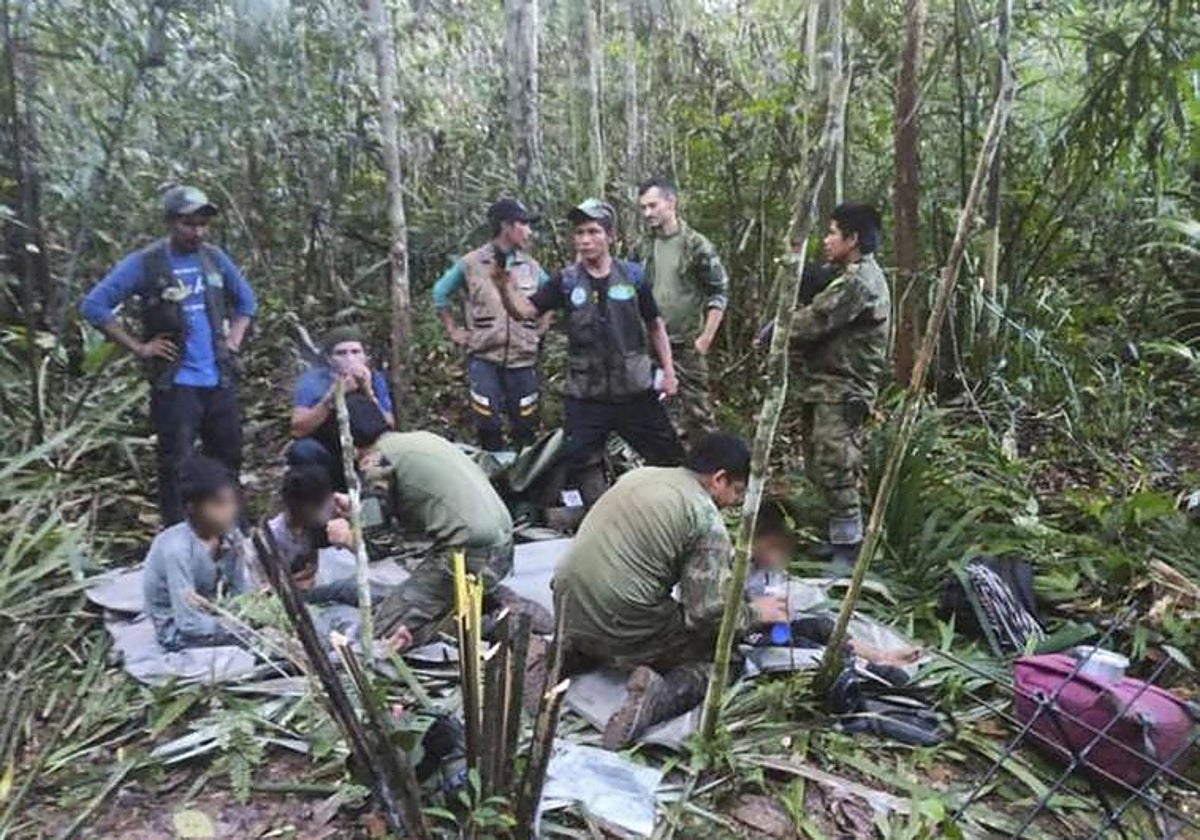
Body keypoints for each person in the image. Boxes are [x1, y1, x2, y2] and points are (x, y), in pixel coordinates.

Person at [553, 432, 789, 749]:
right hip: (622, 619)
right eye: (737, 491)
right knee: (724, 660)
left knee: (619, 611)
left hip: (566, 604)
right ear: (719, 478)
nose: (734, 502)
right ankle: (657, 698)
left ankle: (562, 655)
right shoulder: (704, 517)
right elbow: (705, 614)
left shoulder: (640, 476)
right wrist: (756, 613)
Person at [81, 185, 257, 526]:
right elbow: (94, 306)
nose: (198, 232)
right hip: (176, 384)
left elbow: (247, 302)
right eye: (188, 224)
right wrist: (139, 347)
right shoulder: (146, 263)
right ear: (170, 223)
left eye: (203, 224)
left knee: (228, 459)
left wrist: (233, 340)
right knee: (176, 465)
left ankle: (234, 532)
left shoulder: (214, 259)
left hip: (218, 379)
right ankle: (179, 535)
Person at [493, 198, 685, 503]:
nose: (585, 240)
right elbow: (525, 312)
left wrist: (669, 372)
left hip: (634, 389)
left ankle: (673, 508)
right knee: (579, 462)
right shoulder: (566, 281)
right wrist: (505, 288)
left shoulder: (633, 276)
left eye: (593, 232)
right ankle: (595, 512)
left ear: (610, 236)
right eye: (579, 233)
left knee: (669, 457)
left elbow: (655, 325)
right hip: (586, 394)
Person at [795, 202, 891, 568]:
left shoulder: (859, 282)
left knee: (836, 462)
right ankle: (837, 536)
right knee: (819, 461)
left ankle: (849, 547)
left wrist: (780, 328)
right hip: (825, 384)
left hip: (844, 387)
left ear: (852, 239)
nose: (826, 239)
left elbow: (815, 321)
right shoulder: (846, 276)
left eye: (833, 232)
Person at [361, 431, 516, 652]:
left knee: (381, 635)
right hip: (502, 546)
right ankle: (482, 606)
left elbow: (377, 545)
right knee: (417, 599)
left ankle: (490, 625)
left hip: (469, 554)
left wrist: (349, 535)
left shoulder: (375, 461)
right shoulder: (416, 441)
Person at [433, 198, 550, 451]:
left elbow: (550, 296)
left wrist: (541, 329)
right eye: (524, 225)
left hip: (522, 359)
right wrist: (453, 330)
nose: (529, 232)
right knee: (487, 422)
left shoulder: (531, 267)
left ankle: (524, 470)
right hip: (485, 357)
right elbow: (440, 293)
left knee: (526, 423)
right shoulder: (471, 263)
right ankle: (490, 468)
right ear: (506, 226)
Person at [636, 177, 729, 444]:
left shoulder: (696, 245)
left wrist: (705, 339)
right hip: (650, 345)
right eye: (643, 208)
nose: (647, 213)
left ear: (671, 202)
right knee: (654, 414)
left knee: (699, 414)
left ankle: (710, 465)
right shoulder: (642, 246)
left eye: (653, 205)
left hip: (686, 345)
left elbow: (719, 291)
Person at [142, 456, 251, 650]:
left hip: (217, 614)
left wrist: (247, 613)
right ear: (192, 507)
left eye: (232, 502)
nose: (230, 511)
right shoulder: (177, 549)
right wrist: (235, 627)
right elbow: (188, 622)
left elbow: (241, 590)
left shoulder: (231, 535)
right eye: (218, 504)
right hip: (177, 629)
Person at [289, 327, 395, 489]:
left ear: (365, 357)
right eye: (341, 353)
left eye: (355, 352)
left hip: (367, 452)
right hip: (330, 450)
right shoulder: (314, 380)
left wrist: (368, 391)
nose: (350, 358)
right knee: (303, 451)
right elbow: (298, 429)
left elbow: (389, 425)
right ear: (329, 359)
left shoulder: (375, 378)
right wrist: (332, 398)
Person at [265, 465, 359, 606]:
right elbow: (267, 587)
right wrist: (295, 582)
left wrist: (353, 514)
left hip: (314, 580)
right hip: (295, 595)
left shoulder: (316, 523)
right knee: (347, 589)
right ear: (299, 506)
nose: (323, 510)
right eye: (317, 506)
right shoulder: (274, 536)